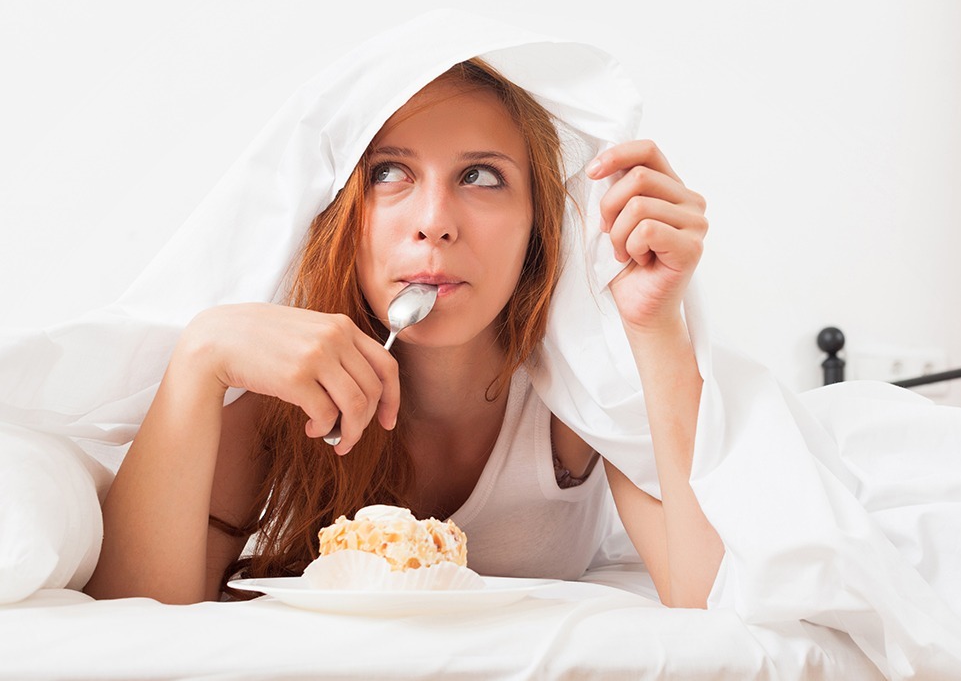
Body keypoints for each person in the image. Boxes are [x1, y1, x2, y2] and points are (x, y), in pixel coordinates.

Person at [82, 57, 723, 606]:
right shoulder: (284, 389)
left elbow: (710, 597)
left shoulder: (576, 391)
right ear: (339, 215)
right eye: (389, 173)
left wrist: (655, 322)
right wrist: (199, 358)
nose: (434, 223)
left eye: (481, 176)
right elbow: (132, 618)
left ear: (538, 226)